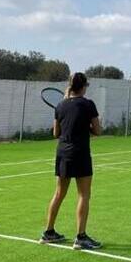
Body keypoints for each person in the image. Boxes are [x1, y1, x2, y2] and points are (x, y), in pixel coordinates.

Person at [40, 72, 102, 250]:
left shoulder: (60, 105)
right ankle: (81, 237)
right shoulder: (88, 104)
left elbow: (56, 133)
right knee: (84, 195)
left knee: (59, 193)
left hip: (63, 153)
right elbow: (98, 131)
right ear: (83, 87)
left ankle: (48, 232)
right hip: (80, 153)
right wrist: (86, 126)